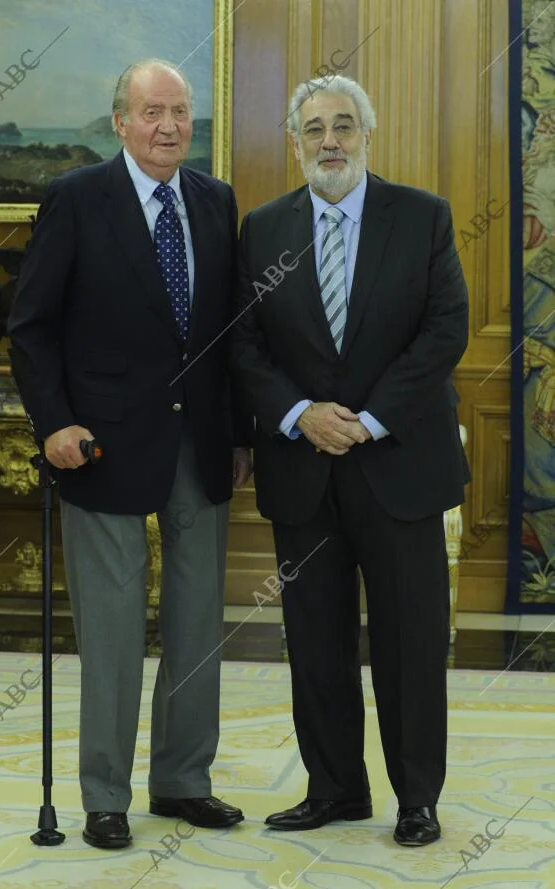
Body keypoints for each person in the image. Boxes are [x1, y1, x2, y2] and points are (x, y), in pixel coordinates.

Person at [9, 58, 252, 849]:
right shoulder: (79, 198)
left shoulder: (216, 201)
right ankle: (105, 793)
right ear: (120, 121)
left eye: (180, 112)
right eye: (152, 112)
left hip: (203, 445)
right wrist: (53, 422)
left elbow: (233, 333)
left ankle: (183, 779)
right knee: (113, 631)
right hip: (100, 447)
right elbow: (33, 324)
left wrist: (243, 430)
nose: (170, 127)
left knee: (196, 625)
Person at [232, 74, 470, 846]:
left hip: (398, 466)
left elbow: (444, 330)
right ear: (296, 142)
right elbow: (245, 345)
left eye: (342, 125)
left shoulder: (423, 216)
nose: (328, 140)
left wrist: (364, 421)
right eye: (313, 129)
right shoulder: (262, 230)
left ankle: (416, 799)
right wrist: (303, 415)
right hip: (304, 471)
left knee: (409, 642)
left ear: (368, 134)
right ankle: (334, 787)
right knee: (316, 641)